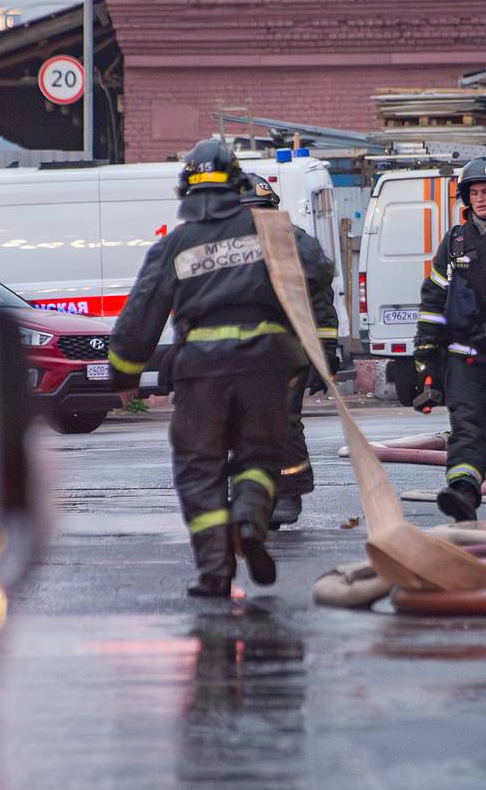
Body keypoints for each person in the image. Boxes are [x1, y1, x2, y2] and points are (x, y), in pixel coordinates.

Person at [107, 141, 336, 597]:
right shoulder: (271, 229)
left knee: (200, 469)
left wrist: (124, 377)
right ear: (236, 185)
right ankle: (250, 519)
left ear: (185, 190)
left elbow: (140, 318)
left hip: (200, 374)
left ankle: (214, 572)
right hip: (266, 367)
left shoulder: (174, 246)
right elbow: (320, 271)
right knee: (257, 457)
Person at [238, 172, 341, 528]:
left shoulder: (294, 245)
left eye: (260, 209)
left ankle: (288, 492)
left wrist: (325, 353)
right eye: (247, 211)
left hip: (284, 354)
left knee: (282, 422)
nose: (255, 218)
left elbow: (321, 300)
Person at [412, 158, 486, 522]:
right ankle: (463, 495)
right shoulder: (454, 244)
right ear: (466, 198)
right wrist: (425, 358)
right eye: (475, 193)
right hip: (465, 359)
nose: (481, 199)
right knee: (466, 429)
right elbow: (432, 303)